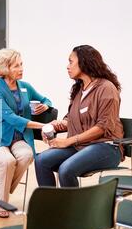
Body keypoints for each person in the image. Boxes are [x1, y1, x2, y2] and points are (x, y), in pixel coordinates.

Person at [35, 45, 123, 188]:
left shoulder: (107, 88)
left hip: (106, 147)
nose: (67, 66)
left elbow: (102, 127)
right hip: (80, 146)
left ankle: (75, 209)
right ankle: (50, 206)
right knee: (41, 160)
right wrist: (53, 127)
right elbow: (71, 119)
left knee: (66, 169)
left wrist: (68, 141)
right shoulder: (79, 89)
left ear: (84, 63)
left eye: (71, 62)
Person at [0, 48, 52, 218]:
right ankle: (2, 204)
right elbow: (11, 118)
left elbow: (46, 99)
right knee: (7, 161)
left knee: (27, 156)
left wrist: (46, 105)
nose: (21, 69)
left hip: (19, 138)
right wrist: (42, 126)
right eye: (16, 66)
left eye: (21, 65)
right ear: (5, 69)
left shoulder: (25, 87)